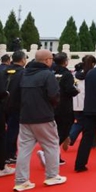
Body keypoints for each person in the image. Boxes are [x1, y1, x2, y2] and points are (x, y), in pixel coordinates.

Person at [13, 49, 66, 190]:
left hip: (25, 117)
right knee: (51, 145)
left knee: (24, 149)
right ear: (47, 60)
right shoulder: (47, 75)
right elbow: (54, 95)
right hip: (43, 116)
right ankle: (52, 176)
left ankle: (21, 180)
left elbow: (15, 96)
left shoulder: (23, 74)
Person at [51, 53, 78, 155]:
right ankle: (50, 151)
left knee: (56, 129)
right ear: (65, 62)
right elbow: (69, 89)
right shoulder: (67, 74)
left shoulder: (50, 72)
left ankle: (55, 155)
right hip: (64, 105)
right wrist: (76, 91)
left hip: (52, 104)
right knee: (65, 128)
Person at [4, 50, 27, 165]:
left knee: (6, 131)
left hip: (3, 104)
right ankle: (9, 154)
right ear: (23, 60)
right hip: (16, 105)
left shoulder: (4, 70)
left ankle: (7, 153)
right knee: (13, 131)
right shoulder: (23, 73)